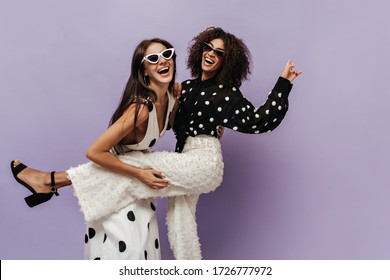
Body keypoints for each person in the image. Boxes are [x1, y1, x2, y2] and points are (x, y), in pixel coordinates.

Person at [11, 27, 302, 260]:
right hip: (185, 157)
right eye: (208, 48)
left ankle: (51, 181)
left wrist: (283, 83)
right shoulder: (184, 88)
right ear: (199, 50)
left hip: (203, 161)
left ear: (229, 61)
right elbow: (177, 122)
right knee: (180, 221)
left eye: (220, 53)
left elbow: (259, 121)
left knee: (132, 163)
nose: (212, 55)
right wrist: (202, 121)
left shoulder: (226, 93)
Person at [11, 38, 178, 260]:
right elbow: (95, 152)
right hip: (119, 186)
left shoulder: (171, 97)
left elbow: (177, 124)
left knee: (144, 253)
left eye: (167, 54)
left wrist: (212, 130)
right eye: (153, 58)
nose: (162, 61)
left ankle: (49, 180)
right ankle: (47, 180)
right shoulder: (140, 109)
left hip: (137, 188)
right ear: (144, 70)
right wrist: (139, 173)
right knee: (128, 254)